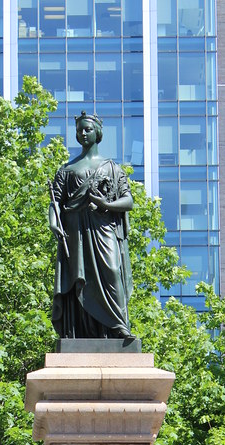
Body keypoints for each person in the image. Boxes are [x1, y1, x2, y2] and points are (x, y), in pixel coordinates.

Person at [49, 111, 136, 343]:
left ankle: (119, 326)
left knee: (112, 271)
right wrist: (53, 221)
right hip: (76, 230)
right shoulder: (67, 169)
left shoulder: (113, 168)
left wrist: (105, 203)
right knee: (80, 277)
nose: (83, 133)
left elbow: (128, 201)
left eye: (88, 129)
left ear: (98, 133)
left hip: (103, 228)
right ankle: (82, 332)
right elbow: (55, 201)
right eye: (80, 130)